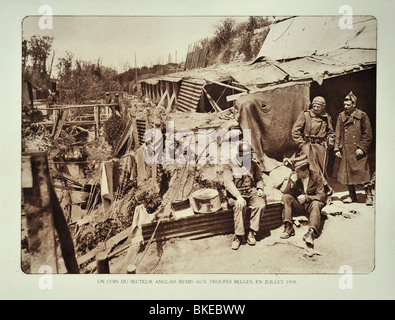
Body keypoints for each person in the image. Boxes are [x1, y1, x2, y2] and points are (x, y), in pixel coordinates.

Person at [223, 141, 266, 250]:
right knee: (239, 205)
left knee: (260, 204)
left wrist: (260, 188)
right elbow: (228, 183)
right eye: (248, 155)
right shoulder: (229, 165)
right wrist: (238, 197)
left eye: (251, 155)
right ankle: (238, 236)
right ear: (240, 155)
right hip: (236, 194)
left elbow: (259, 179)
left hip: (251, 192)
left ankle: (252, 232)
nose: (250, 157)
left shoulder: (253, 164)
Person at [334, 91, 373, 204]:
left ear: (354, 104)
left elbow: (368, 134)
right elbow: (338, 133)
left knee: (363, 173)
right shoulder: (341, 116)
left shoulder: (362, 115)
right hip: (346, 150)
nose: (345, 107)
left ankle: (369, 196)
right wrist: (337, 148)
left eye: (348, 105)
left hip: (358, 150)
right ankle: (352, 196)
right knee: (348, 174)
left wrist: (362, 148)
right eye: (344, 105)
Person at [292, 96, 335, 196]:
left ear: (323, 107)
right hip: (307, 146)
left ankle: (322, 192)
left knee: (321, 170)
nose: (315, 108)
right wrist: (302, 144)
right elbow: (295, 131)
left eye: (318, 107)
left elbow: (331, 132)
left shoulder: (326, 117)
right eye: (314, 106)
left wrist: (330, 139)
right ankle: (312, 191)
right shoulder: (305, 115)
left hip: (320, 148)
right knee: (310, 169)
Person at [280, 154, 326, 246]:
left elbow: (321, 196)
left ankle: (311, 232)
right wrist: (291, 183)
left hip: (311, 206)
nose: (296, 174)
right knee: (286, 198)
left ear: (306, 171)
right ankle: (288, 227)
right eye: (295, 171)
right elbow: (286, 193)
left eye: (298, 172)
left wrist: (306, 198)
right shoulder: (294, 176)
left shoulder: (317, 177)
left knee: (317, 203)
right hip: (299, 205)